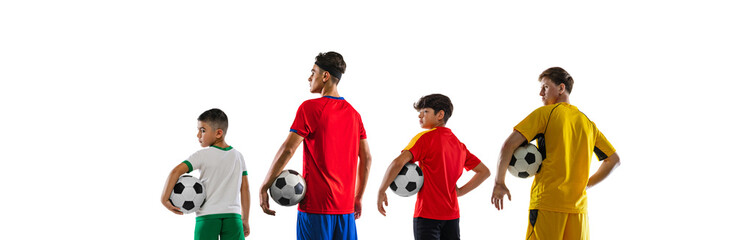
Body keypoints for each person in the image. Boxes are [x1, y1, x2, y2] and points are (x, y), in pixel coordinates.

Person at [491, 67, 621, 240]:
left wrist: (499, 183)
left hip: (548, 205)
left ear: (561, 88)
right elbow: (613, 160)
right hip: (578, 210)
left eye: (545, 87)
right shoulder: (588, 123)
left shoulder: (544, 114)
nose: (540, 93)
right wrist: (585, 185)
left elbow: (508, 146)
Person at [259, 51, 372, 240]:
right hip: (345, 210)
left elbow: (288, 149)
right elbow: (367, 157)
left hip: (316, 207)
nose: (309, 78)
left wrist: (265, 185)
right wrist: (358, 197)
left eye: (313, 72)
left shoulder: (310, 108)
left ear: (325, 76)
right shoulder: (354, 114)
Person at [377, 94, 491, 240]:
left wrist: (381, 190)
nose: (419, 115)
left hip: (427, 215)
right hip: (452, 217)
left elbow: (397, 163)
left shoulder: (425, 139)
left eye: (425, 111)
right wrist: (460, 192)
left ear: (440, 114)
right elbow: (484, 172)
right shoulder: (459, 145)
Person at [160, 108, 251, 239]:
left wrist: (164, 199)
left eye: (202, 130)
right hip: (233, 217)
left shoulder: (201, 155)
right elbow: (245, 188)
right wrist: (245, 219)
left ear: (218, 133)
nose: (198, 135)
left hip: (207, 217)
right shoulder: (238, 156)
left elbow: (175, 172)